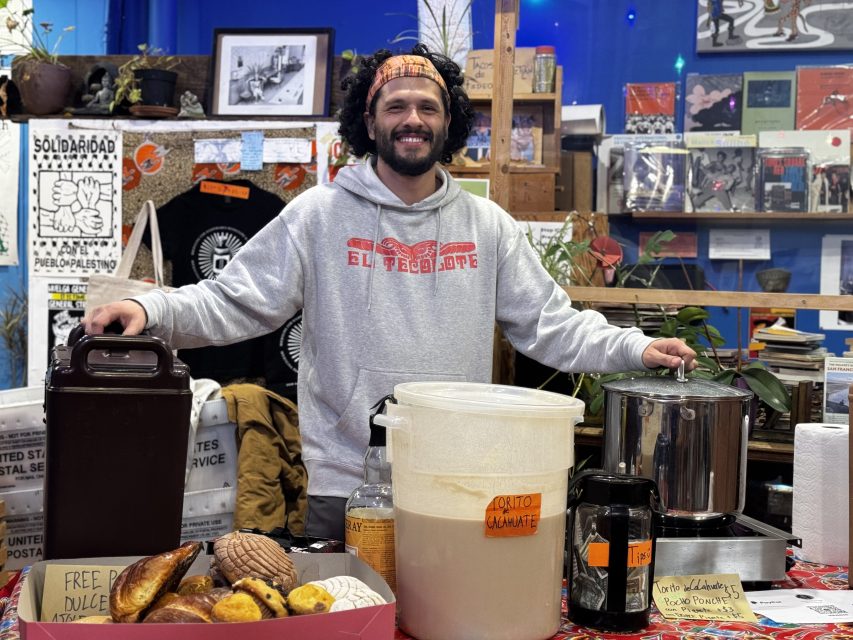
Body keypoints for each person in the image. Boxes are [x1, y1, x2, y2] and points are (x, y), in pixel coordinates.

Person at [85, 44, 696, 541]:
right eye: (396, 105)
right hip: (344, 480)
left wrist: (634, 350)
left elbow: (550, 324)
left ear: (448, 121)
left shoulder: (486, 226)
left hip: (455, 477)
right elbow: (233, 299)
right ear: (370, 121)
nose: (413, 119)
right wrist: (149, 307)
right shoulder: (319, 216)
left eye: (428, 107)